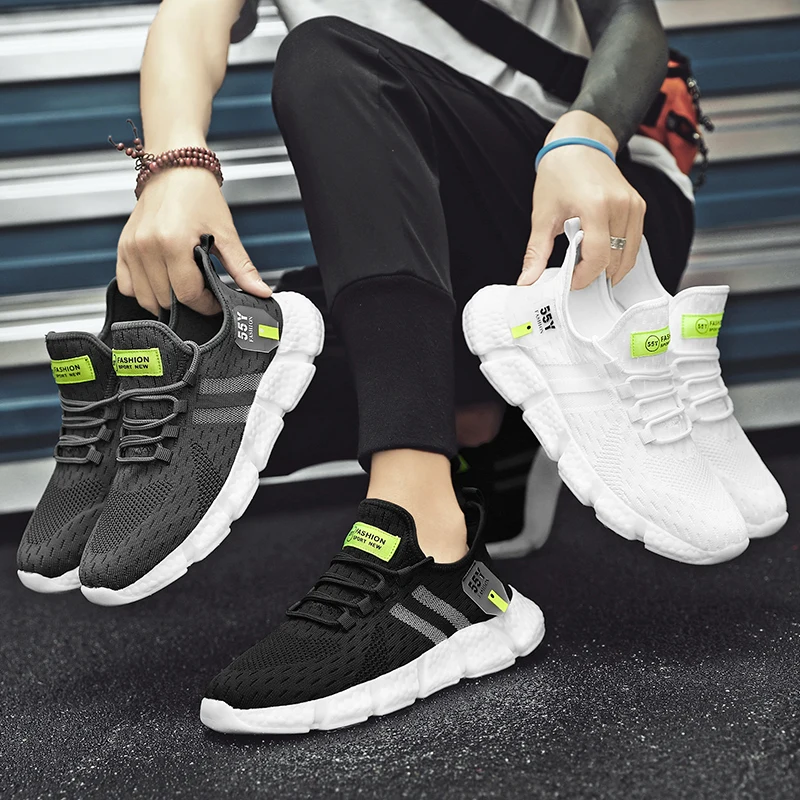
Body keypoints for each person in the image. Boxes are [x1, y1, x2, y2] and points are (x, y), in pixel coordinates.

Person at [114, 0, 696, 733]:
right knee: (206, 357)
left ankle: (429, 541)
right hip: (415, 238)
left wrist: (589, 132)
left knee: (326, 60)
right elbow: (191, 16)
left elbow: (630, 18)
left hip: (580, 214)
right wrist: (173, 168)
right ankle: (481, 425)